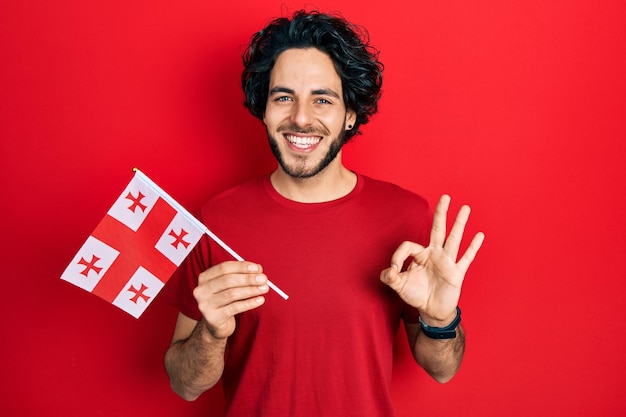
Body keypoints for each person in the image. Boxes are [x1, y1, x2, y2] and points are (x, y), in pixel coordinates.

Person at [163, 9, 485, 416]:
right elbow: (184, 385)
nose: (300, 118)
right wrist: (211, 335)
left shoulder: (406, 217)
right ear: (263, 108)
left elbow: (443, 370)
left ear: (350, 114)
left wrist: (440, 319)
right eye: (283, 97)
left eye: (322, 99)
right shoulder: (215, 220)